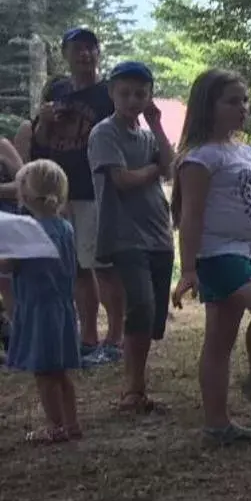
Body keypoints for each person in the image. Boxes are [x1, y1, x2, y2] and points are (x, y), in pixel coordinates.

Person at [170, 69, 251, 444]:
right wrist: (189, 267)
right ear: (208, 106)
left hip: (244, 251)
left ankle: (217, 425)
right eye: (232, 101)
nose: (243, 107)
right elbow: (189, 216)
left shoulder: (243, 151)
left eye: (245, 100)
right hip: (216, 254)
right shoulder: (200, 158)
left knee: (219, 341)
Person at [17, 27, 120, 364]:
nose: (84, 54)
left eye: (90, 48)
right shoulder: (57, 91)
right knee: (75, 266)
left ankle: (115, 338)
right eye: (77, 48)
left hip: (94, 188)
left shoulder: (107, 94)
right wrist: (43, 122)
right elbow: (40, 142)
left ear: (98, 54)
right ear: (65, 54)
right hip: (60, 191)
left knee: (101, 265)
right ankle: (88, 336)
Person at [87, 59, 176, 413]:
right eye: (125, 93)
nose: (132, 100)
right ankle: (132, 388)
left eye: (140, 94)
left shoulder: (146, 133)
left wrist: (156, 123)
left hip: (158, 232)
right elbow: (122, 181)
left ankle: (139, 384)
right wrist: (154, 168)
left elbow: (170, 166)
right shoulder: (104, 133)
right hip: (125, 234)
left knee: (152, 315)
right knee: (139, 305)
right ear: (111, 93)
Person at [4, 160, 83, 443]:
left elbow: (11, 266)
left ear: (24, 195)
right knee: (60, 372)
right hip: (60, 306)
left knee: (43, 373)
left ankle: (55, 426)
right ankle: (71, 423)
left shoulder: (30, 231)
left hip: (38, 309)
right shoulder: (65, 227)